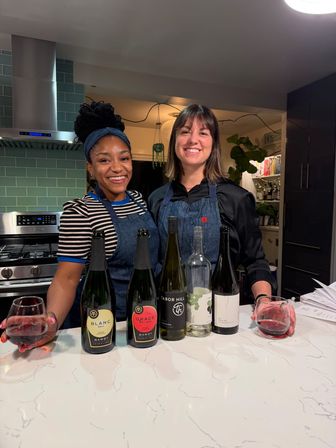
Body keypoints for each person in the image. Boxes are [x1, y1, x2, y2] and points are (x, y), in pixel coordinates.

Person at [1, 101, 160, 351]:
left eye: (124, 158)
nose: (117, 168)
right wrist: (50, 322)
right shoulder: (81, 211)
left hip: (148, 319)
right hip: (108, 326)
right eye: (104, 160)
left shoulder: (139, 200)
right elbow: (66, 279)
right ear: (90, 168)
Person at [148, 104, 295, 335]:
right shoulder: (156, 199)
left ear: (213, 143)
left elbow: (255, 261)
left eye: (203, 133)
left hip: (219, 319)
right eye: (185, 131)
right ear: (175, 140)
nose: (193, 139)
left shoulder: (236, 198)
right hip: (167, 318)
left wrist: (265, 301)